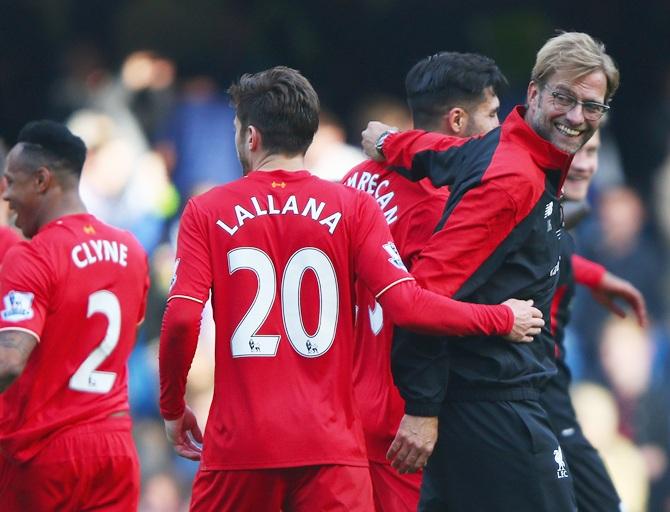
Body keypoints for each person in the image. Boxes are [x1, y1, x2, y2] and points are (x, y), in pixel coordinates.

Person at [158, 66, 543, 512]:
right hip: (332, 450)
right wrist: (501, 318)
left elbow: (183, 317)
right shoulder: (352, 206)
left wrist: (172, 405)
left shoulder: (206, 210)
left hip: (239, 448)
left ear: (251, 137)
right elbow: (408, 305)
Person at [362, 31, 619, 511]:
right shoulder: (512, 180)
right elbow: (423, 296)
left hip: (485, 401)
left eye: (592, 106)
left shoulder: (507, 151)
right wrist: (422, 409)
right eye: (563, 97)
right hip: (490, 407)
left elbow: (438, 154)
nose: (576, 116)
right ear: (535, 93)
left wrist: (388, 140)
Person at [341, 51, 508, 511]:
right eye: (492, 115)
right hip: (404, 426)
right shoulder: (439, 203)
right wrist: (502, 318)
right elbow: (424, 309)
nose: (499, 131)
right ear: (457, 120)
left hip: (344, 413)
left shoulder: (354, 181)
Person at [0, 120, 150, 511]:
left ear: (42, 180)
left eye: (11, 182)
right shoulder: (131, 250)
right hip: (114, 447)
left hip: (44, 452)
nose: (7, 197)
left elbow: (9, 361)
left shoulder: (31, 256)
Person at [546, 130, 647, 511]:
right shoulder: (522, 201)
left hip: (547, 378)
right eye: (579, 153)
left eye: (594, 152)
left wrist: (596, 276)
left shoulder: (561, 222)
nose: (587, 164)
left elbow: (549, 251)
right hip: (522, 384)